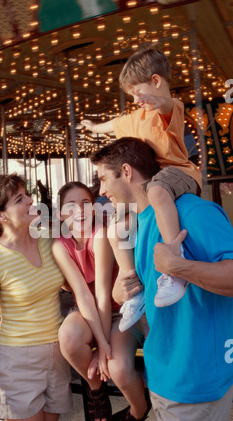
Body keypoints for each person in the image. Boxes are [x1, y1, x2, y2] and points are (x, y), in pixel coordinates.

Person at [90, 136, 233, 421]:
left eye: (103, 178)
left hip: (195, 381)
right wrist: (121, 290)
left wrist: (179, 267)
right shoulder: (138, 225)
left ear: (126, 172)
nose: (100, 191)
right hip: (167, 376)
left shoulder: (193, 212)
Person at [81, 47, 202, 330]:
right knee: (114, 224)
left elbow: (164, 104)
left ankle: (175, 262)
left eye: (138, 91)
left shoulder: (168, 107)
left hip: (178, 173)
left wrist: (156, 99)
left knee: (158, 191)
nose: (136, 99)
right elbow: (114, 123)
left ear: (157, 81)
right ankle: (131, 284)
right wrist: (93, 126)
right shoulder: (134, 117)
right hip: (151, 181)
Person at [0, 174, 72, 421]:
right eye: (19, 199)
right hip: (18, 361)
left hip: (58, 354)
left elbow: (71, 283)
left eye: (27, 194)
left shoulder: (47, 240)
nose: (30, 200)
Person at [52, 181, 151, 421]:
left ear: (94, 208)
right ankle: (94, 386)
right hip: (88, 310)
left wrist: (104, 346)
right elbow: (83, 295)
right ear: (61, 214)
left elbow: (103, 294)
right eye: (71, 206)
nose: (80, 211)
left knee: (118, 368)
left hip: (120, 310)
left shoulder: (102, 234)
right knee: (69, 337)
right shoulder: (59, 245)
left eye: (86, 204)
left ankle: (139, 409)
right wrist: (100, 345)